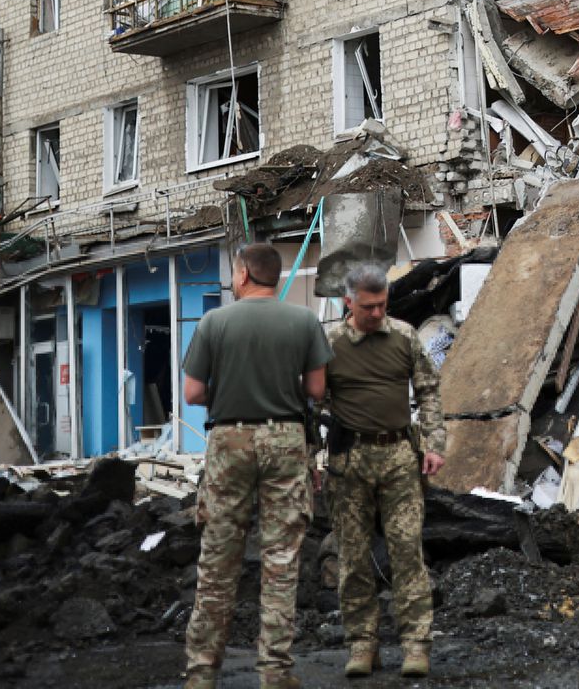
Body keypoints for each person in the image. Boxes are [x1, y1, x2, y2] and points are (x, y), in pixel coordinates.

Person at [181, 243, 333, 689]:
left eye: (234, 270)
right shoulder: (304, 320)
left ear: (245, 274)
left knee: (217, 562)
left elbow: (192, 393)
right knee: (281, 559)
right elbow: (318, 389)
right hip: (286, 439)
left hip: (229, 439)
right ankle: (275, 672)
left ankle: (202, 673)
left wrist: (227, 390)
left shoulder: (214, 322)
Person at [326, 263, 448, 679]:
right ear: (348, 303)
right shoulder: (329, 344)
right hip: (350, 462)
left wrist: (435, 444)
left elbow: (429, 391)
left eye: (382, 305)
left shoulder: (404, 336)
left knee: (406, 551)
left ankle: (416, 644)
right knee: (354, 557)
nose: (377, 314)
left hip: (398, 457)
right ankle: (362, 644)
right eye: (368, 307)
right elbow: (310, 402)